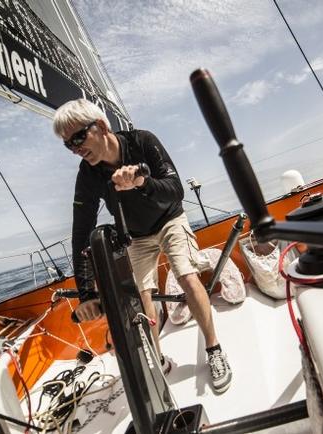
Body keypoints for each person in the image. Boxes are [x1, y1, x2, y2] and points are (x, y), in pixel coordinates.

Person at [52, 98, 232, 394]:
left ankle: (214, 350)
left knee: (186, 275)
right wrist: (86, 293)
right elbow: (81, 231)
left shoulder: (143, 141)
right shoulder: (88, 175)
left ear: (101, 126)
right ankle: (157, 362)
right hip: (135, 235)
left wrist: (141, 183)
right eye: (68, 144)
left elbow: (175, 191)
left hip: (170, 219)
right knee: (141, 296)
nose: (75, 148)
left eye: (78, 137)